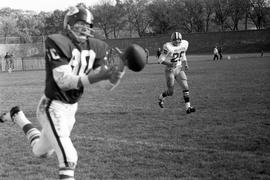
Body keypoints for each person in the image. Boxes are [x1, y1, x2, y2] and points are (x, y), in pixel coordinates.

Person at [0, 6, 125, 180]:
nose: (83, 28)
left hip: (71, 110)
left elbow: (106, 86)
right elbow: (64, 81)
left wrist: (117, 75)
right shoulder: (57, 41)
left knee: (41, 152)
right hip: (51, 106)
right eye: (79, 23)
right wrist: (96, 77)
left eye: (86, 24)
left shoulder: (96, 46)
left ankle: (18, 116)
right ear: (69, 25)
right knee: (69, 157)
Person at [157, 32, 195, 114]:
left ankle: (188, 108)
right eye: (175, 40)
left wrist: (186, 63)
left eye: (178, 40)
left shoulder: (184, 44)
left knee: (185, 86)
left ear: (181, 40)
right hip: (169, 70)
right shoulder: (168, 47)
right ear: (172, 40)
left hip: (179, 68)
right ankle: (161, 97)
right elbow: (160, 60)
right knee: (171, 92)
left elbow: (183, 53)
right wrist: (170, 64)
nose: (177, 42)